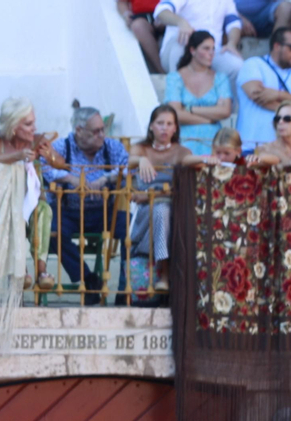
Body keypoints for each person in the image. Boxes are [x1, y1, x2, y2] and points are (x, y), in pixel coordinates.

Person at [40, 105, 130, 304]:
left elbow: (127, 167)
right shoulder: (63, 146)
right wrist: (71, 179)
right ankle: (87, 278)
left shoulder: (111, 147)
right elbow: (44, 165)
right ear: (79, 131)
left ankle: (125, 290)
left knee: (130, 229)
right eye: (95, 131)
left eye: (102, 130)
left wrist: (106, 178)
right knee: (51, 230)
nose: (101, 135)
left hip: (104, 212)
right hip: (69, 211)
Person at [0, 97, 63, 290]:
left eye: (33, 122)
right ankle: (22, 269)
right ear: (13, 126)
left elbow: (61, 163)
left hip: (33, 201)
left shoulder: (38, 140)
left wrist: (50, 156)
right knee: (14, 214)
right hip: (5, 202)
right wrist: (18, 156)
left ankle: (41, 270)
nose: (33, 128)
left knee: (45, 210)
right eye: (28, 124)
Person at [129, 104, 191, 293]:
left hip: (174, 207)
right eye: (160, 123)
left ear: (175, 128)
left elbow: (185, 186)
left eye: (169, 124)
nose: (164, 128)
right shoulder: (140, 148)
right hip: (146, 212)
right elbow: (127, 163)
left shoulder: (182, 152)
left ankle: (166, 272)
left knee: (164, 211)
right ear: (151, 126)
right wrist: (141, 160)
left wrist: (155, 195)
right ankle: (164, 273)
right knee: (160, 211)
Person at [236, 26, 291, 149]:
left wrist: (278, 95)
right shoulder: (253, 64)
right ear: (277, 46)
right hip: (251, 146)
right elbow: (257, 96)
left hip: (288, 151)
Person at [165, 30, 235, 153]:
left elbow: (225, 111)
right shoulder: (175, 77)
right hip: (184, 142)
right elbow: (175, 113)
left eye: (213, 49)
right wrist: (208, 120)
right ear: (192, 50)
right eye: (206, 49)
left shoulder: (220, 78)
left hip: (213, 142)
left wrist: (190, 109)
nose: (211, 53)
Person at [155, 0, 245, 80]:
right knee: (184, 42)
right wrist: (181, 22)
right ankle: (177, 93)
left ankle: (228, 99)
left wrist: (232, 43)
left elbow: (233, 23)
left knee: (236, 65)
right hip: (178, 50)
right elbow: (161, 11)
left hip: (211, 52)